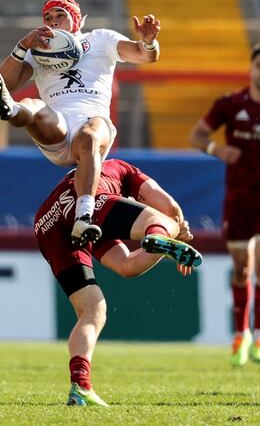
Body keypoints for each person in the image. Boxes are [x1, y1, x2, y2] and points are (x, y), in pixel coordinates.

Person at [0, 0, 161, 247]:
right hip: (59, 126)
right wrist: (23, 45)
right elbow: (5, 82)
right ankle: (9, 111)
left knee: (88, 135)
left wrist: (148, 42)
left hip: (93, 124)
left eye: (60, 16)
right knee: (33, 107)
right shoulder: (40, 50)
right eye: (48, 18)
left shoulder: (100, 39)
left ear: (75, 20)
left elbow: (144, 56)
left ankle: (84, 216)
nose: (53, 22)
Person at [34, 158, 202, 406]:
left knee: (93, 310)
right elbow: (170, 206)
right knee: (168, 223)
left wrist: (166, 247)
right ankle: (157, 236)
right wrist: (181, 234)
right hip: (84, 203)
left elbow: (126, 265)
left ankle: (80, 387)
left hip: (47, 224)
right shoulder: (124, 171)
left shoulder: (103, 211)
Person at [188, 44, 260, 367]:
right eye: (259, 65)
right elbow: (196, 135)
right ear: (251, 70)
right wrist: (216, 148)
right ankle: (240, 336)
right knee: (241, 268)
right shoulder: (230, 104)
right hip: (238, 199)